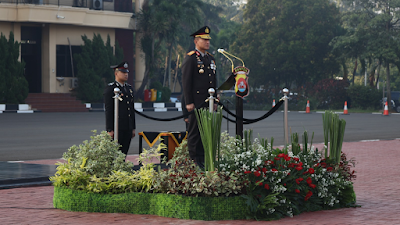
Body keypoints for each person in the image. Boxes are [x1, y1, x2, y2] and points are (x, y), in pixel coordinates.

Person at [182, 26, 217, 168]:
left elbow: (213, 81)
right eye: (204, 39)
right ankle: (194, 161)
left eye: (208, 40)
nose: (207, 42)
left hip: (207, 102)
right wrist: (189, 102)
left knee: (205, 131)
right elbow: (186, 81)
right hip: (195, 102)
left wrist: (215, 100)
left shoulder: (210, 58)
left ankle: (203, 159)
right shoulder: (191, 58)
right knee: (194, 132)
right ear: (196, 41)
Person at [104, 61, 136, 155]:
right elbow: (109, 110)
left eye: (126, 72)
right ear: (116, 73)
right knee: (115, 154)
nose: (126, 74)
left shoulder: (129, 89)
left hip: (127, 127)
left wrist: (133, 127)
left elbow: (131, 110)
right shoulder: (111, 89)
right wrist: (109, 129)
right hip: (117, 127)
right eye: (123, 72)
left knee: (124, 153)